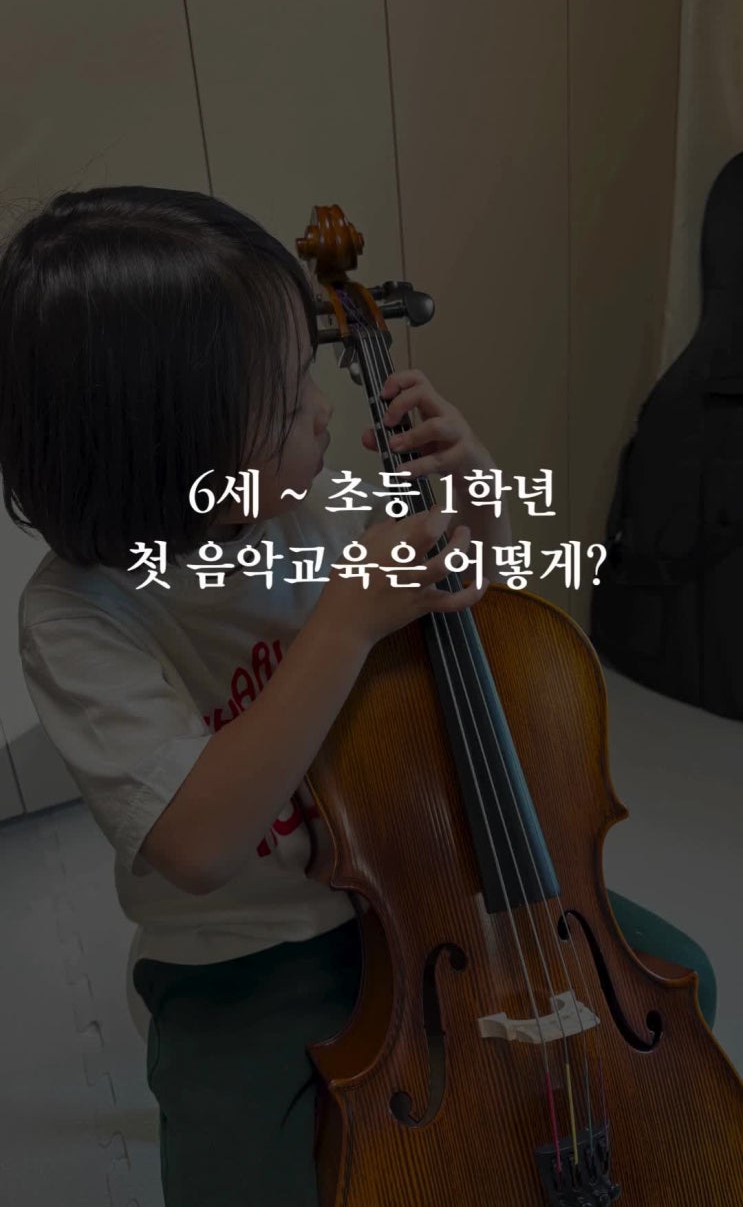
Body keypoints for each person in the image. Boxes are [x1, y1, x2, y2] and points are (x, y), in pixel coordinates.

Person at [0, 186, 507, 1206]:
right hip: (246, 950)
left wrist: (476, 495)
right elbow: (196, 847)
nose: (322, 411)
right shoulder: (80, 617)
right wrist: (341, 625)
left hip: (427, 882)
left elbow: (468, 593)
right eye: (283, 406)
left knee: (676, 977)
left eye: (308, 374)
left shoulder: (311, 503)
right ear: (166, 455)